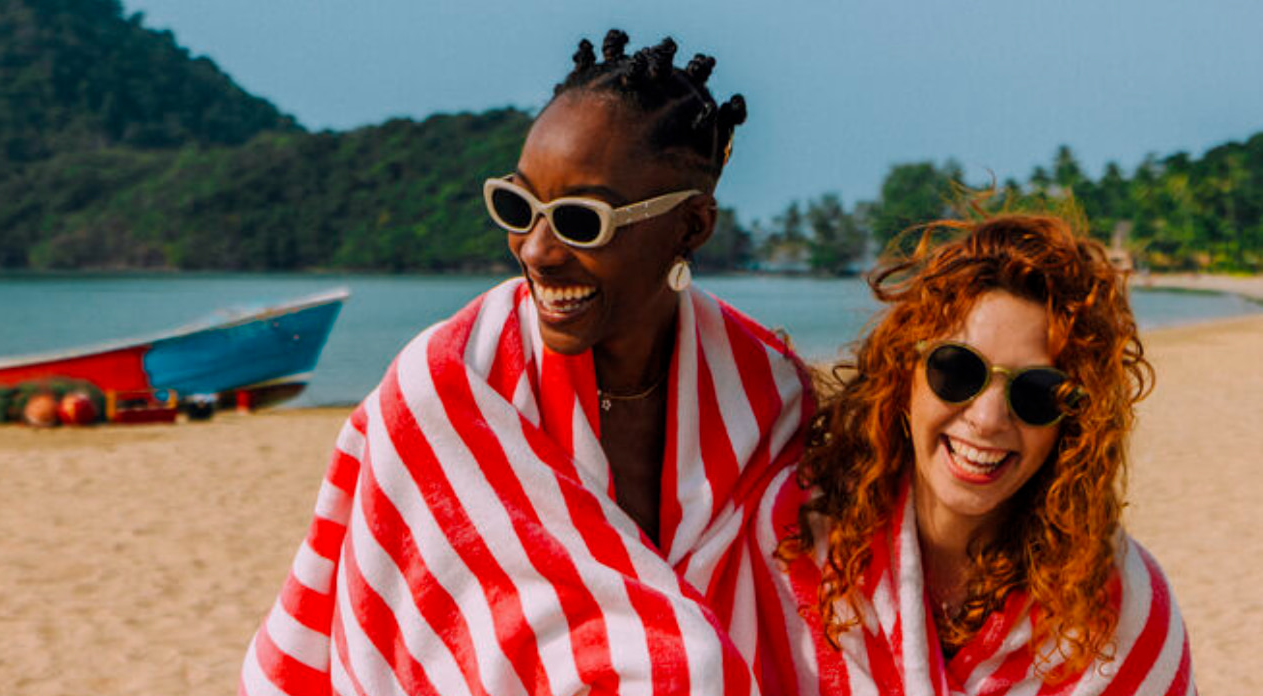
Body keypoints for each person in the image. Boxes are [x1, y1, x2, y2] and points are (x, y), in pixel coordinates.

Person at [241, 30, 814, 695]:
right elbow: (403, 639)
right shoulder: (449, 387)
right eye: (517, 207)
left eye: (581, 221)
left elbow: (803, 615)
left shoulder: (768, 396)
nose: (536, 250)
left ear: (691, 226)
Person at [716, 208, 1193, 694]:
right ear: (904, 373)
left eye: (1034, 393)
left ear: (1070, 423)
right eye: (958, 370)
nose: (987, 419)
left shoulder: (1121, 606)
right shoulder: (793, 541)